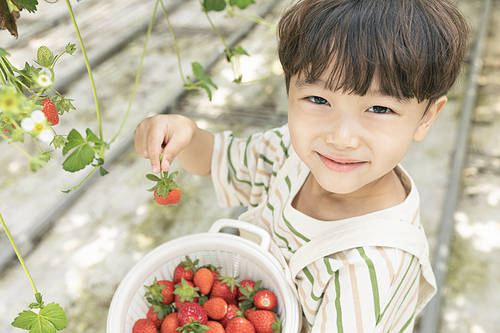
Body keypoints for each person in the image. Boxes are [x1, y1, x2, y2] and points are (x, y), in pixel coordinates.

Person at [133, 0, 469, 331]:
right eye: (319, 100)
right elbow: (216, 159)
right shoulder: (288, 152)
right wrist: (186, 135)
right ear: (289, 89)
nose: (341, 138)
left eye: (379, 109)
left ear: (426, 117)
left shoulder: (372, 268)